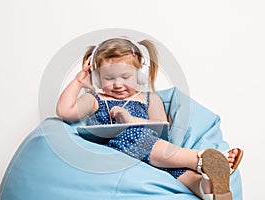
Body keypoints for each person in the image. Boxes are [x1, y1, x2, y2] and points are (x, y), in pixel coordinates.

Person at [56, 37, 243, 199]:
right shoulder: (96, 99)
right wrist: (79, 81)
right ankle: (200, 159)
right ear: (97, 78)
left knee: (179, 173)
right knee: (134, 138)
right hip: (118, 151)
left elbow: (161, 127)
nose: (118, 84)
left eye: (125, 76)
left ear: (140, 75)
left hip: (153, 151)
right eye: (109, 78)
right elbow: (66, 111)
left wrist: (130, 120)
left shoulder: (149, 98)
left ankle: (207, 187)